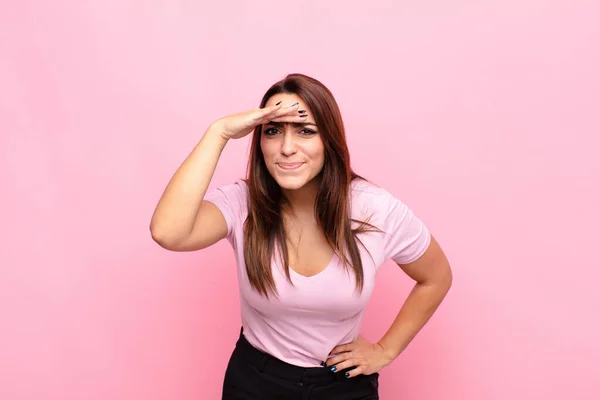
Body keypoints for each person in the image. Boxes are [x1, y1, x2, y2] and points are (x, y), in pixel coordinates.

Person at [150, 73, 452, 399]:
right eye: (273, 131)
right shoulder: (242, 203)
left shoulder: (374, 208)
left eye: (306, 131)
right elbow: (168, 232)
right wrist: (219, 133)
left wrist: (385, 350)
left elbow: (436, 277)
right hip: (256, 382)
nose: (287, 148)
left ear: (329, 142)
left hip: (343, 386)